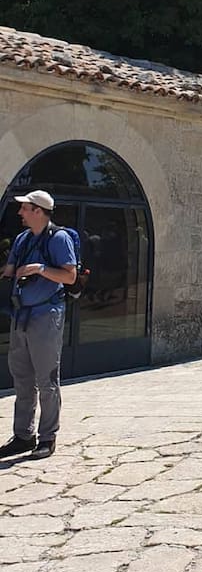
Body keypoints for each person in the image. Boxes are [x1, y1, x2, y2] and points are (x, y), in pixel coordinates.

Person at [0, 190, 77, 459]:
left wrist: (40, 269)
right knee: (22, 378)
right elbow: (9, 272)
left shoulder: (59, 238)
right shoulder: (22, 239)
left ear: (38, 211)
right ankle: (23, 436)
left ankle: (47, 438)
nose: (20, 212)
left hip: (46, 315)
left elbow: (70, 276)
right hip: (20, 315)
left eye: (25, 208)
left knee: (47, 379)